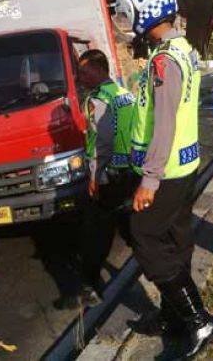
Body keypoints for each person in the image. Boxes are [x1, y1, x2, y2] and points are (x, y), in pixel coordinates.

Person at [113, 0, 213, 358]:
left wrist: (149, 179)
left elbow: (165, 123)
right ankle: (173, 316)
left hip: (166, 172)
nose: (129, 27)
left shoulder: (163, 61)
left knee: (144, 237)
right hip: (184, 166)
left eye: (131, 19)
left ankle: (199, 321)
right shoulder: (183, 49)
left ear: (145, 15)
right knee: (175, 241)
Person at [77, 48, 137, 305]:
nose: (81, 77)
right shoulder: (125, 94)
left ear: (100, 69)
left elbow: (99, 142)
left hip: (109, 174)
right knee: (132, 229)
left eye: (84, 71)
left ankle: (89, 285)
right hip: (130, 171)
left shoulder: (98, 99)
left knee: (97, 233)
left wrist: (94, 176)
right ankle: (158, 268)